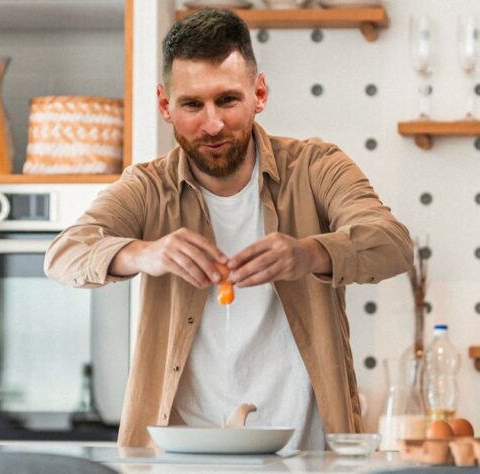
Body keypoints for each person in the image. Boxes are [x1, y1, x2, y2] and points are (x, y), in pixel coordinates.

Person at [44, 8, 413, 449]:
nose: (212, 124)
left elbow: (393, 243)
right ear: (165, 105)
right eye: (192, 105)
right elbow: (64, 254)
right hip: (177, 454)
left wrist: (310, 253)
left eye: (228, 100)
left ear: (259, 93)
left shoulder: (316, 167)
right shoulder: (146, 187)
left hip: (306, 450)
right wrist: (145, 253)